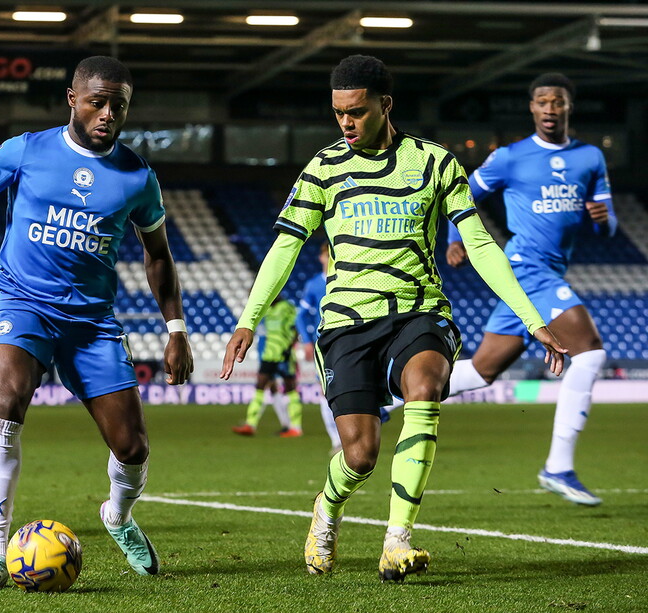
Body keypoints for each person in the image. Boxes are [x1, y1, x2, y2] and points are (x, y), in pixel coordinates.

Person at [220, 55, 566, 582]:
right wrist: (249, 318)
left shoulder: (434, 163)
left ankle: (397, 540)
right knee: (360, 455)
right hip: (345, 322)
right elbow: (285, 247)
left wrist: (531, 318)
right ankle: (326, 508)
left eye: (356, 112)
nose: (346, 123)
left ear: (386, 105)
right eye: (338, 114)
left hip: (418, 312)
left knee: (425, 388)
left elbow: (477, 241)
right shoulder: (323, 169)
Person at [0, 56, 193, 591]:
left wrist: (176, 329)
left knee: (132, 448)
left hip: (90, 322)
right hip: (22, 304)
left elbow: (158, 256)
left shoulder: (138, 177)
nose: (107, 113)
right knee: (6, 402)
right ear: (73, 99)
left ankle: (118, 516)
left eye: (119, 105)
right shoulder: (27, 150)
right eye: (97, 101)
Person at [442, 73, 616, 506]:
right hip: (526, 268)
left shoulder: (590, 157)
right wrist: (454, 237)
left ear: (568, 107)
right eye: (542, 101)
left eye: (558, 101)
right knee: (590, 352)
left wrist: (603, 219)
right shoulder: (510, 158)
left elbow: (610, 223)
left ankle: (387, 396)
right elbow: (460, 194)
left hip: (543, 273)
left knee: (481, 372)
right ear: (532, 108)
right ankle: (558, 466)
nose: (550, 108)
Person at [232, 295, 303, 437]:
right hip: (269, 354)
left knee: (290, 388)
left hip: (284, 354)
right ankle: (250, 424)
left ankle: (296, 427)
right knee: (260, 385)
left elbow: (295, 329)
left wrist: (288, 349)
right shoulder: (268, 310)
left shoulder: (287, 307)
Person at [297, 242, 344, 450]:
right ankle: (336, 441)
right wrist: (307, 341)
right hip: (324, 343)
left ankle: (350, 436)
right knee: (327, 390)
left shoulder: (347, 280)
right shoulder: (314, 285)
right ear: (321, 258)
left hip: (347, 340)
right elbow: (300, 316)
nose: (329, 259)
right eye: (327, 255)